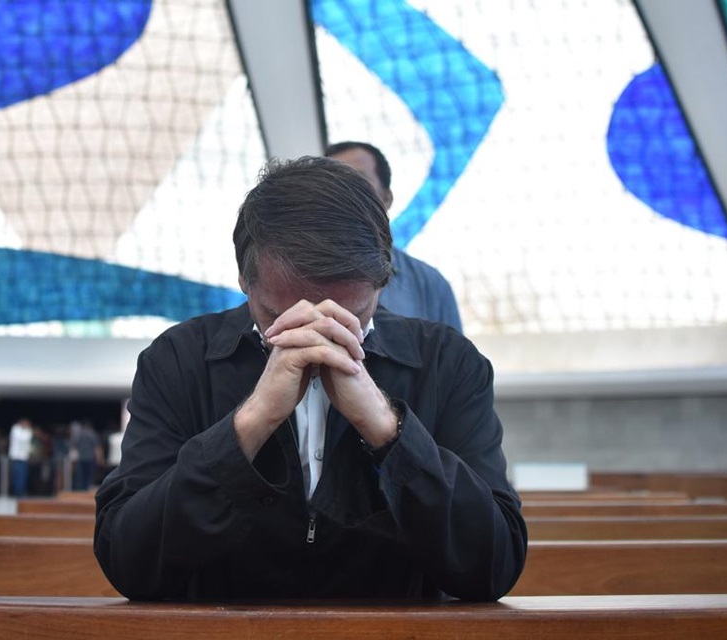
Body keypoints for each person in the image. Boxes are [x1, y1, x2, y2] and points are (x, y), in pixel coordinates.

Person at [94, 157, 526, 602]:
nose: (319, 338)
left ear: (382, 282)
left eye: (351, 318)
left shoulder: (447, 363)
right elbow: (130, 561)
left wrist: (386, 428)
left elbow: (493, 566)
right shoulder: (179, 360)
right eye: (284, 319)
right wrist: (252, 421)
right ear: (243, 278)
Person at [325, 141, 463, 332]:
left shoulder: (430, 285)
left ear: (387, 198)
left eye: (359, 182)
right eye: (333, 184)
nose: (346, 194)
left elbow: (452, 359)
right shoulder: (292, 276)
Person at [8, 417, 33, 497]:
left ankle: (21, 491)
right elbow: (23, 439)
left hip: (24, 457)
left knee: (23, 476)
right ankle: (16, 492)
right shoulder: (15, 429)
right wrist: (27, 429)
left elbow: (28, 440)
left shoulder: (28, 430)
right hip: (16, 457)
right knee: (16, 475)